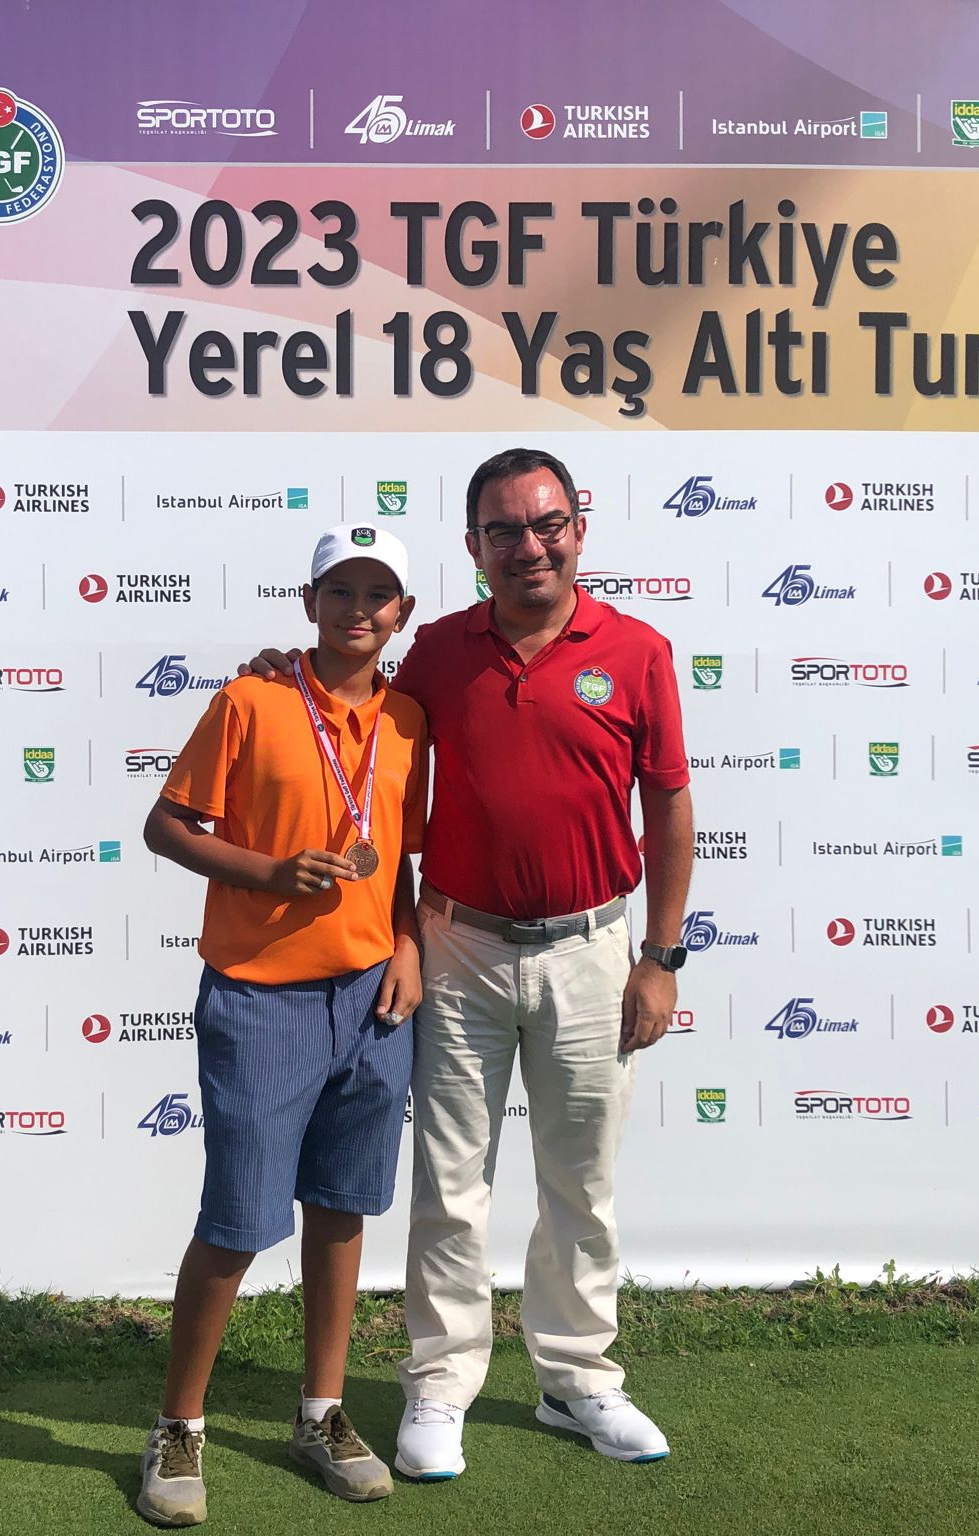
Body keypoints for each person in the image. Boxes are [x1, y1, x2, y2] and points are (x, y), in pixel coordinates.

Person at [246, 447, 694, 1478]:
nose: (528, 546)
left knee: (581, 1180)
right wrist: (285, 670)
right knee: (450, 1183)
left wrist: (661, 955)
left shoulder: (636, 650)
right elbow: (352, 721)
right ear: (473, 546)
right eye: (504, 530)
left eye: (546, 524)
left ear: (578, 528)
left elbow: (668, 804)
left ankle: (575, 1380)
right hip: (458, 947)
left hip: (593, 948)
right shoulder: (440, 652)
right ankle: (440, 1385)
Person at [136, 523, 429, 1528]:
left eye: (377, 594)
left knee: (340, 1209)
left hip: (373, 999)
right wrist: (264, 871)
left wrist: (407, 944)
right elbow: (165, 825)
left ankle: (320, 1414)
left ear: (402, 614)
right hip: (261, 996)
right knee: (234, 1222)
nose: (357, 609)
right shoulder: (251, 699)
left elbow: (399, 859)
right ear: (308, 604)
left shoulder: (409, 721)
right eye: (338, 590)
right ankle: (179, 1426)